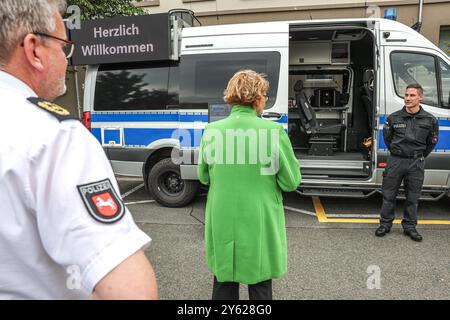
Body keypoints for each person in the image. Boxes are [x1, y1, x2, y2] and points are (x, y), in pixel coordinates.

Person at [0, 0, 158, 299]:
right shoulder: (52, 135)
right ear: (34, 49)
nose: (66, 58)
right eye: (62, 46)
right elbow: (129, 290)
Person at [197, 70, 301, 300]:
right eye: (265, 95)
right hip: (259, 216)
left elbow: (203, 176)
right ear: (258, 97)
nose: (265, 100)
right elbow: (291, 181)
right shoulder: (273, 132)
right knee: (260, 281)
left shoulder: (211, 131)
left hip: (222, 215)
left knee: (224, 279)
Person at [375, 83, 439, 242]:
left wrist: (418, 155)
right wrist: (398, 153)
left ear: (420, 97)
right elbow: (388, 139)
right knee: (388, 195)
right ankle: (385, 224)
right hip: (396, 161)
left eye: (412, 95)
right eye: (406, 95)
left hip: (416, 163)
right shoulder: (394, 118)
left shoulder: (430, 120)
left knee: (413, 197)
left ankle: (410, 227)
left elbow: (431, 142)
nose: (408, 98)